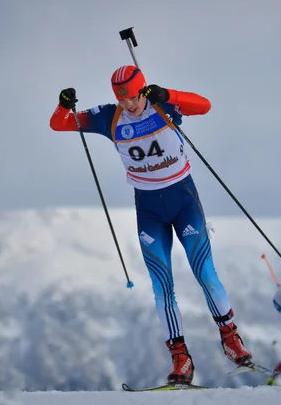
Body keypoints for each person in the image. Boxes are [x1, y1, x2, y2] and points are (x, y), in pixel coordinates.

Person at [49, 65, 252, 384]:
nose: (128, 105)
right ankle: (181, 358)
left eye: (132, 98)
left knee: (204, 271)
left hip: (184, 200)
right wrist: (64, 105)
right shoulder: (108, 117)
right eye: (122, 99)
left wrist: (168, 95)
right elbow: (59, 124)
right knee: (162, 285)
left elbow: (204, 105)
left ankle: (229, 338)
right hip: (149, 210)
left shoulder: (162, 103)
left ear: (142, 90)